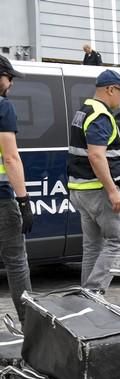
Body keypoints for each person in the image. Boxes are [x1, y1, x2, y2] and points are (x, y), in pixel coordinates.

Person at [67, 69, 120, 292]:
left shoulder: (84, 110)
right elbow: (96, 155)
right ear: (110, 89)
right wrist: (112, 191)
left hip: (80, 189)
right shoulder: (100, 115)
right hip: (99, 190)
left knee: (93, 247)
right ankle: (94, 293)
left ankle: (86, 297)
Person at [0, 56, 33, 323]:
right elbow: (10, 158)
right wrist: (23, 201)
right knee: (16, 261)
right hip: (1, 200)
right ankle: (31, 323)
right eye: (9, 77)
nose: (11, 83)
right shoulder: (3, 107)